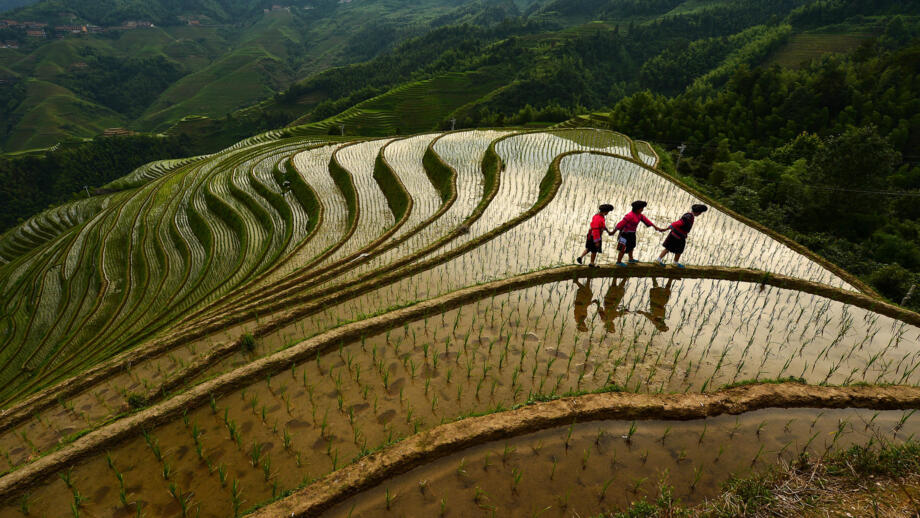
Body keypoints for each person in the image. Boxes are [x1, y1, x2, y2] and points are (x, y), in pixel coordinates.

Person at [614, 200, 666, 266]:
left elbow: (647, 221)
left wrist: (656, 227)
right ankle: (618, 262)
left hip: (632, 233)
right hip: (625, 234)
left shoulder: (639, 215)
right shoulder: (629, 215)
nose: (642, 209)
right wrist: (613, 232)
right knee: (622, 248)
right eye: (641, 208)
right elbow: (620, 224)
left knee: (632, 246)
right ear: (637, 209)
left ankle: (630, 259)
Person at [656, 204, 708, 268]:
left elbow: (677, 223)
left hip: (673, 234)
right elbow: (678, 223)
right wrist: (666, 229)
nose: (700, 214)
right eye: (700, 213)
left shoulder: (688, 215)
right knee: (680, 250)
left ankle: (658, 260)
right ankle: (675, 263)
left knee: (668, 248)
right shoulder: (689, 217)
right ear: (698, 212)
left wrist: (666, 229)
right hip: (679, 236)